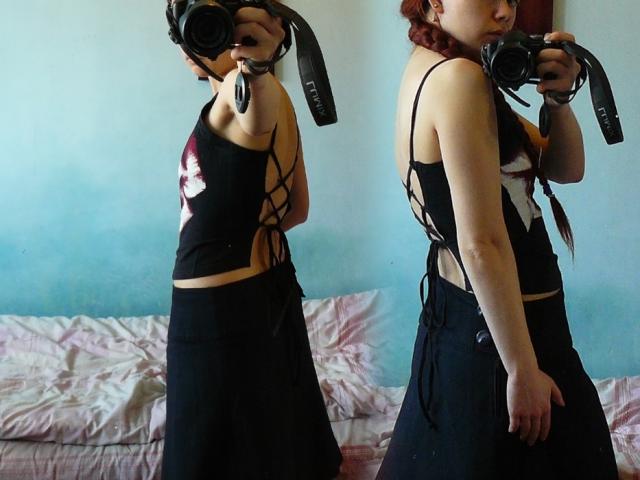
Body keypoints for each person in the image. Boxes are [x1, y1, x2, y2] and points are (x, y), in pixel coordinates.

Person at [377, 0, 618, 479]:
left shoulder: (447, 69)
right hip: (502, 339)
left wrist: (557, 102)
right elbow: (481, 243)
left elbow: (566, 168)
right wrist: (521, 369)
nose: (506, 12)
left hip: (475, 324)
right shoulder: (458, 79)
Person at [160, 2, 342, 478]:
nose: (185, 36)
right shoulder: (276, 95)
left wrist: (256, 67)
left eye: (203, 16)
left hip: (216, 321)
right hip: (263, 296)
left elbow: (252, 114)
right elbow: (296, 209)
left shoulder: (243, 90)